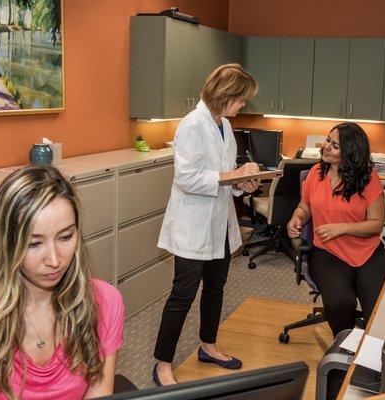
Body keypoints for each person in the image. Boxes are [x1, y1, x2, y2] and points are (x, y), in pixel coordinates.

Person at [0, 166, 124, 399]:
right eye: (33, 244)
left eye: (65, 237)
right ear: (5, 244)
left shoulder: (105, 302)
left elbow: (99, 392)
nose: (54, 260)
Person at [153, 64, 260, 386]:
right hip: (193, 225)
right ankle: (162, 364)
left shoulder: (224, 125)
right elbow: (186, 179)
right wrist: (233, 177)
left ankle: (208, 346)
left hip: (219, 224)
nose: (244, 105)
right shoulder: (192, 125)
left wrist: (245, 184)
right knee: (182, 296)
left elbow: (223, 175)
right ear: (225, 95)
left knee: (215, 289)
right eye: (241, 99)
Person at [287, 122, 385, 337]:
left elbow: (376, 224)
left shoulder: (369, 180)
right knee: (340, 302)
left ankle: (370, 359)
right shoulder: (316, 173)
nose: (326, 147)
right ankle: (342, 351)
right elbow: (305, 206)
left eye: (335, 145)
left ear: (350, 153)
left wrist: (342, 228)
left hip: (367, 252)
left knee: (380, 310)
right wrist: (296, 218)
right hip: (328, 252)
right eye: (327, 140)